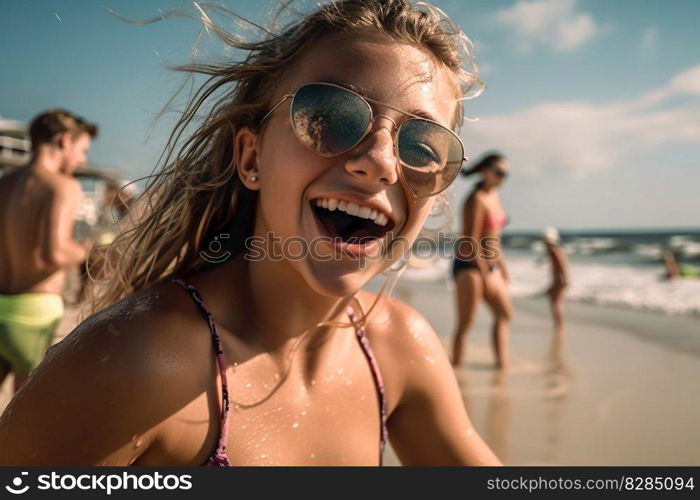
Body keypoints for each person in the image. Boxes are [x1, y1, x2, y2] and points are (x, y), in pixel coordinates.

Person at [0, 0, 501, 466]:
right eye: (330, 117)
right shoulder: (137, 361)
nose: (379, 162)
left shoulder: (398, 346)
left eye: (424, 145)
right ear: (251, 156)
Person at [0, 109, 96, 395]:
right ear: (65, 140)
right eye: (82, 150)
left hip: (2, 304)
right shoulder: (61, 186)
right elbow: (53, 254)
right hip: (34, 313)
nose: (82, 160)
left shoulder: (4, 183)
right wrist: (86, 249)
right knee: (20, 417)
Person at [451, 153, 511, 370]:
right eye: (499, 173)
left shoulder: (494, 195)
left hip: (490, 265)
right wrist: (485, 274)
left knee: (504, 314)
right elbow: (470, 241)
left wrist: (502, 266)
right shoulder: (474, 200)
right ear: (486, 171)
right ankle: (455, 370)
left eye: (506, 174)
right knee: (466, 325)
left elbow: (494, 238)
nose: (502, 178)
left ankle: (501, 366)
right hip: (470, 266)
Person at [542, 227, 569, 331]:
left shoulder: (554, 250)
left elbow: (563, 264)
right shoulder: (552, 250)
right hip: (556, 280)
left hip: (559, 280)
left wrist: (566, 279)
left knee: (556, 303)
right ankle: (558, 324)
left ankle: (560, 325)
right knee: (553, 300)